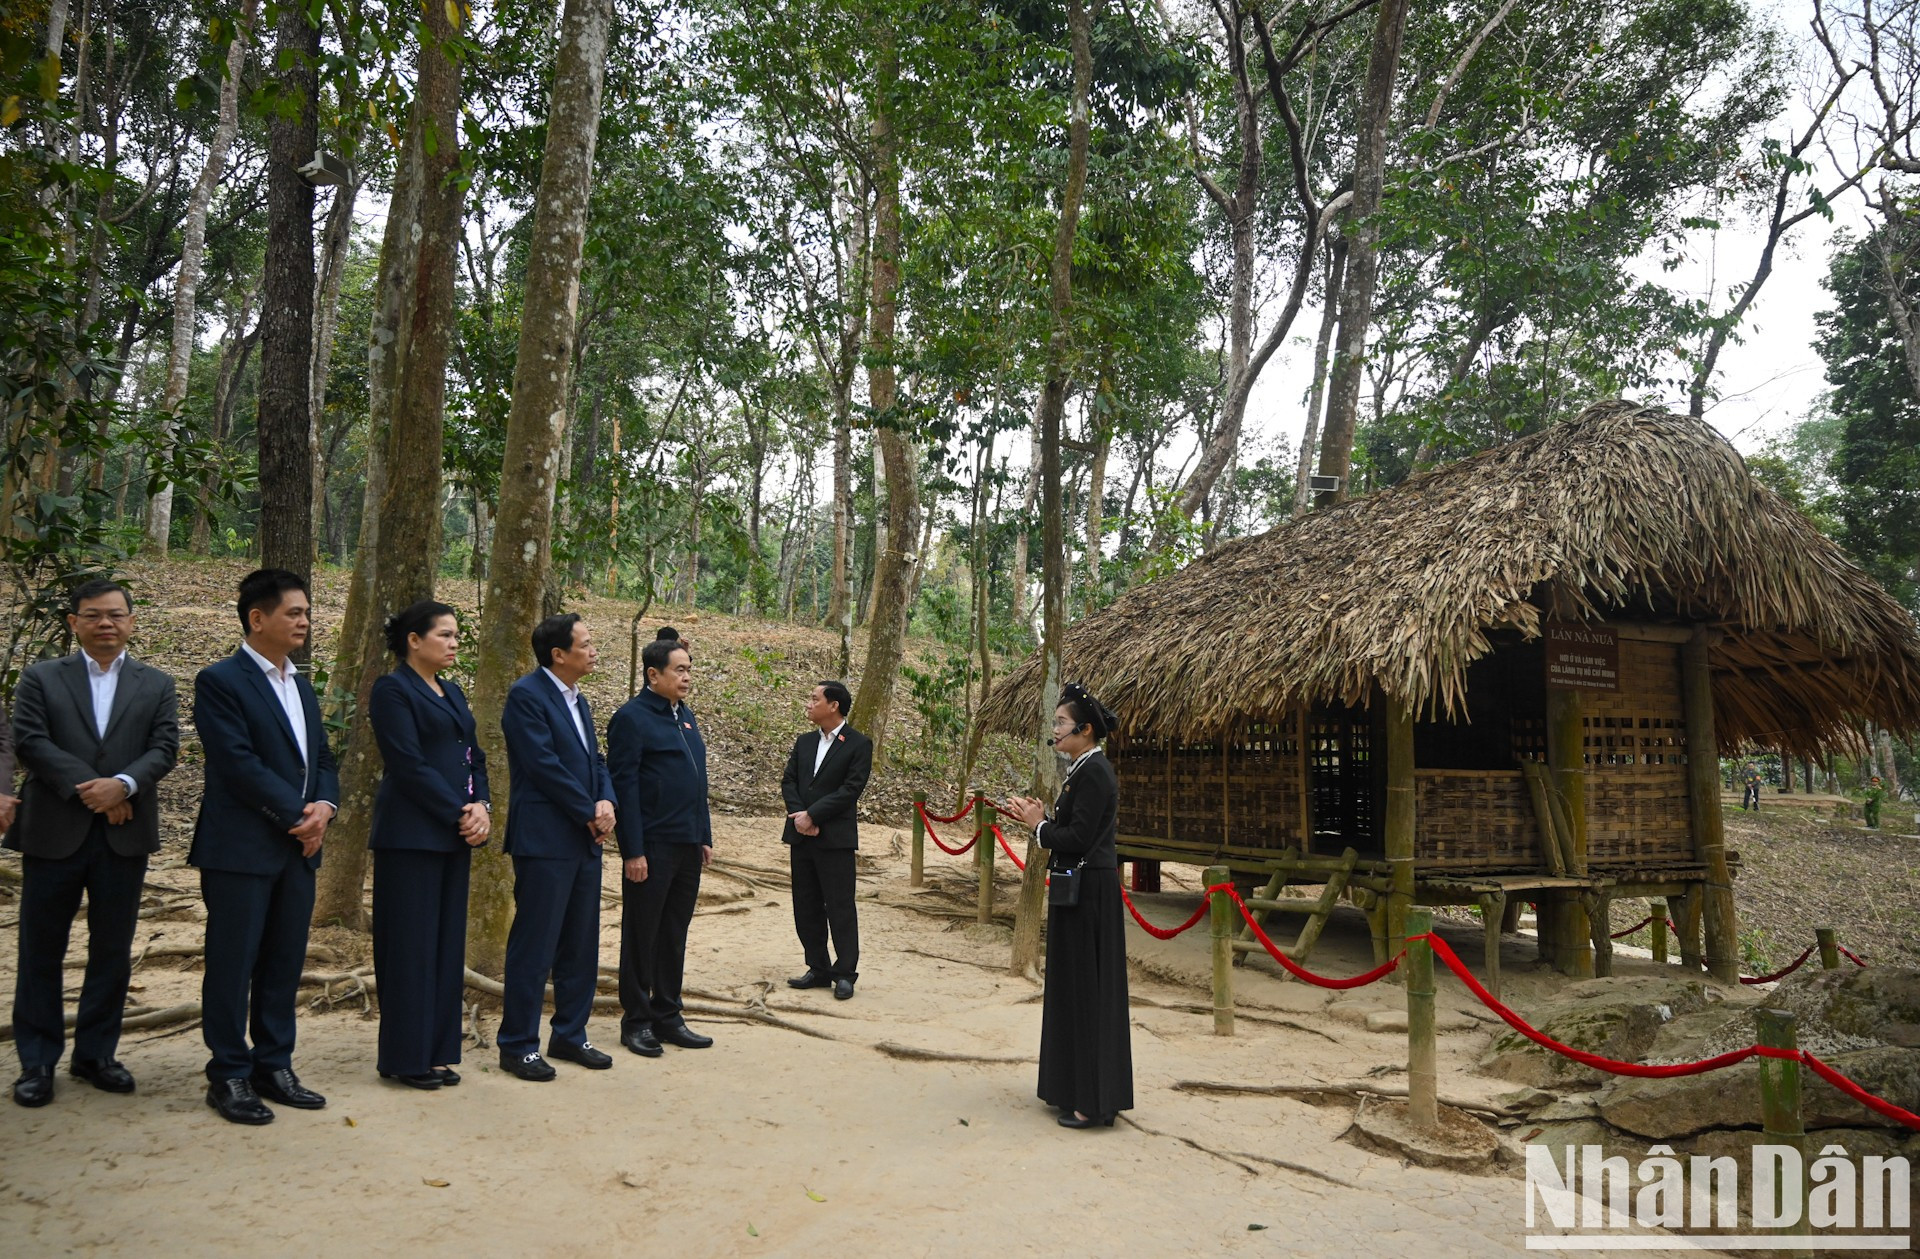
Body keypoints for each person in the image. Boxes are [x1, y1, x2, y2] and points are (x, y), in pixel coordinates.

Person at [7, 579, 179, 1108]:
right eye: (93, 615)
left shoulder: (156, 683)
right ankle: (37, 1061)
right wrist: (96, 791)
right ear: (73, 622)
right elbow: (31, 741)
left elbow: (165, 746)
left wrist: (123, 786)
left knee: (112, 948)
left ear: (131, 621)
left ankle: (97, 1055)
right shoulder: (41, 678)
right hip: (53, 831)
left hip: (123, 836)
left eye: (116, 615)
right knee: (41, 948)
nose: (106, 623)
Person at [190, 569, 339, 1125]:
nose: (305, 621)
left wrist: (324, 806)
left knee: (283, 960)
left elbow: (322, 756)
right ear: (258, 618)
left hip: (300, 846)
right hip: (241, 848)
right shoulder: (221, 681)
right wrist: (297, 814)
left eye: (306, 612)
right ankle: (228, 1072)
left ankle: (274, 1064)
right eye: (294, 613)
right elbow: (237, 763)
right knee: (233, 961)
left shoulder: (299, 682)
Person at [367, 600, 491, 1091]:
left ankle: (438, 1051)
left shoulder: (454, 691)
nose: (454, 642)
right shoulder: (392, 690)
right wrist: (460, 811)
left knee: (443, 946)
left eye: (456, 634)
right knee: (409, 947)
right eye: (444, 634)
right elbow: (408, 764)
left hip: (452, 836)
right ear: (413, 640)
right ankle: (404, 1056)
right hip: (410, 836)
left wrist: (481, 802)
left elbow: (472, 755)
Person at [1002, 682, 1133, 1130]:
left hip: (1090, 894)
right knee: (1073, 988)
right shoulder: (1082, 769)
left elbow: (1078, 840)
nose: (1054, 730)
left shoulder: (1095, 772)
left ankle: (1094, 1101)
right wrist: (1042, 819)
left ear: (1085, 728)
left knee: (1087, 990)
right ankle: (1071, 1088)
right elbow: (1076, 830)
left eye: (1060, 722)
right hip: (1077, 889)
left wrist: (1039, 826)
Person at [496, 613, 617, 1081]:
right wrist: (589, 809)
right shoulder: (527, 696)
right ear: (558, 654)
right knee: (535, 944)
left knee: (580, 943)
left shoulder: (577, 700)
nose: (593, 649)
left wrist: (606, 800)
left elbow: (595, 759)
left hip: (585, 839)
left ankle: (570, 1033)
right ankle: (518, 1044)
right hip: (545, 840)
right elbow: (542, 765)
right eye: (585, 643)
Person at [608, 628, 715, 1056]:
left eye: (689, 670)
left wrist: (703, 835)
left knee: (673, 933)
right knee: (642, 934)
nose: (687, 677)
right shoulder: (632, 718)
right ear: (654, 674)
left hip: (688, 845)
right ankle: (637, 1020)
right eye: (679, 670)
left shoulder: (685, 717)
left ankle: (668, 1014)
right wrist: (632, 849)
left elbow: (697, 783)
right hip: (651, 847)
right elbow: (624, 788)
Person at [779, 680, 872, 1001]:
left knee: (840, 906)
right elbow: (789, 780)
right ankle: (817, 967)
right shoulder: (804, 742)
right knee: (805, 905)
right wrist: (799, 815)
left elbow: (850, 789)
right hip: (800, 835)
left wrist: (814, 816)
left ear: (833, 705)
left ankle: (845, 972)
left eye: (814, 698)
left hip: (835, 839)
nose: (808, 703)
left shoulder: (858, 743)